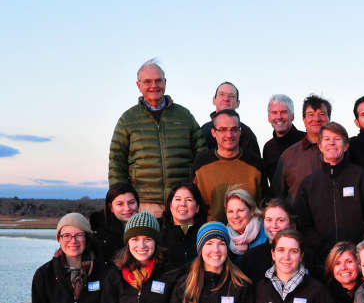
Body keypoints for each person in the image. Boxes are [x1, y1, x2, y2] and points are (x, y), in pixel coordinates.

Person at [109, 59, 205, 217]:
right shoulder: (127, 120)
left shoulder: (184, 116)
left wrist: (194, 192)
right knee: (147, 242)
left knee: (182, 241)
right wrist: (121, 200)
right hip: (144, 205)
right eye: (147, 81)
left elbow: (202, 155)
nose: (154, 86)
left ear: (165, 82)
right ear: (138, 85)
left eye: (158, 80)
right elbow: (116, 164)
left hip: (182, 205)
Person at [294, 122, 364, 274]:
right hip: (322, 262)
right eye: (327, 139)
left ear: (346, 145)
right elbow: (303, 225)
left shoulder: (363, 177)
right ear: (320, 146)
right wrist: (327, 250)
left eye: (337, 138)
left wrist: (358, 251)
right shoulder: (308, 184)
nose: (332, 143)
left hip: (359, 261)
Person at [193, 109, 263, 222]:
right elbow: (194, 203)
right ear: (213, 132)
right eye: (222, 130)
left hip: (248, 233)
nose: (229, 135)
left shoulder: (255, 164)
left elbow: (263, 203)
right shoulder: (201, 163)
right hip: (211, 234)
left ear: (240, 131)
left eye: (234, 129)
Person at [271, 94, 331, 202]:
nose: (316, 119)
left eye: (321, 114)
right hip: (299, 218)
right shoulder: (288, 156)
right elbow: (277, 197)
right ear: (304, 119)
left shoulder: (341, 151)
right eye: (310, 114)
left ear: (329, 118)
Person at [199, 82, 260, 159]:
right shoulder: (203, 131)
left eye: (231, 96)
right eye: (221, 94)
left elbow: (256, 166)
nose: (226, 99)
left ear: (238, 103)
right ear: (214, 100)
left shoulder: (247, 134)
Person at [239, 198, 294, 282]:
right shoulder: (250, 258)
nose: (274, 225)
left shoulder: (304, 255)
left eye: (280, 220)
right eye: (269, 220)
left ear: (291, 224)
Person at [159, 182, 207, 272]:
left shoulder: (205, 233)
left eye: (188, 200)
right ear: (170, 205)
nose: (183, 204)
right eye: (178, 199)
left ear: (197, 207)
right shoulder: (158, 229)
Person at [90, 183, 140, 268]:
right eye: (120, 204)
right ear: (111, 207)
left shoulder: (149, 228)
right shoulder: (100, 236)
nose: (127, 208)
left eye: (131, 202)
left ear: (138, 204)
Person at [262, 94, 305, 188]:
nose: (279, 117)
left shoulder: (306, 141)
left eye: (284, 112)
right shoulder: (268, 148)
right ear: (269, 118)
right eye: (274, 113)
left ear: (292, 116)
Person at [224, 188, 267, 261]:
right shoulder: (223, 238)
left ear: (252, 211)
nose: (235, 216)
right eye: (230, 211)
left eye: (240, 210)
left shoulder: (267, 233)